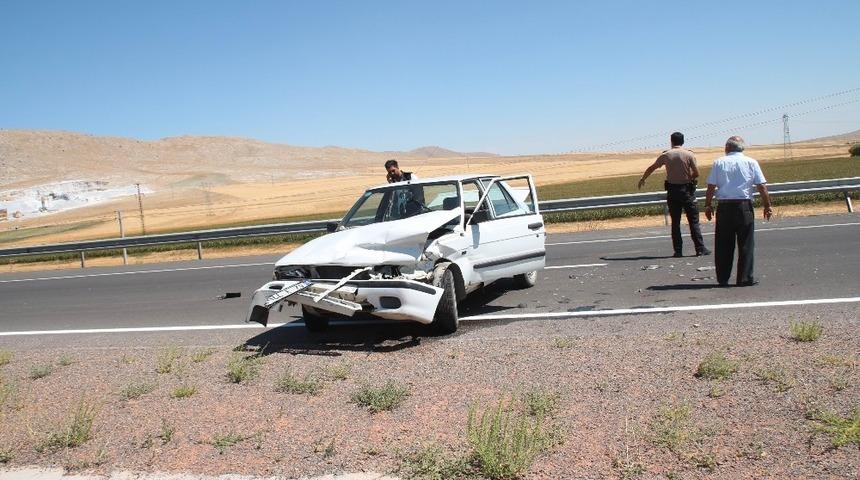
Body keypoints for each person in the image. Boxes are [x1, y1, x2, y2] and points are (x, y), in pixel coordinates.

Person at [704, 136, 773, 287]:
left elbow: (711, 187)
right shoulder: (751, 162)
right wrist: (767, 205)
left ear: (727, 148)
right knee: (746, 243)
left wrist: (708, 205)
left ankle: (723, 278)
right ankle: (745, 277)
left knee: (723, 244)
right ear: (742, 148)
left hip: (724, 207)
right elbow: (761, 186)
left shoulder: (719, 162)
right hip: (744, 206)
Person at [638, 132, 710, 257]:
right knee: (693, 221)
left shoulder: (666, 155)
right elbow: (696, 173)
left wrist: (643, 179)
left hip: (673, 192)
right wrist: (689, 179)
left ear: (671, 141)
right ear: (683, 141)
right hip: (687, 191)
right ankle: (700, 248)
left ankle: (678, 250)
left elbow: (652, 168)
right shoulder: (689, 154)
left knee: (675, 223)